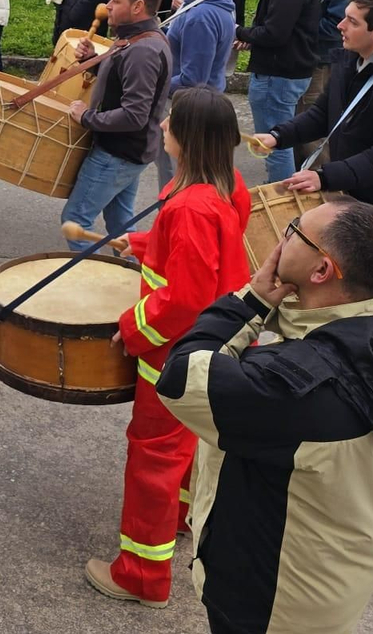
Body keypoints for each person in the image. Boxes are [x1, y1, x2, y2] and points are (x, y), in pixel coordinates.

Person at [157, 200, 373, 634]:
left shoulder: (286, 386)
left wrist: (249, 300)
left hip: (274, 597)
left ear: (321, 271)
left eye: (293, 232)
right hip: (334, 574)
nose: (280, 240)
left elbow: (180, 376)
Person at [85, 87, 252, 607]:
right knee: (185, 446)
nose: (162, 127)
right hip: (213, 348)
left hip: (175, 354)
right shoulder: (226, 186)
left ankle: (141, 574)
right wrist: (136, 243)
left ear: (189, 137)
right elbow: (200, 255)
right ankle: (177, 519)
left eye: (170, 121)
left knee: (152, 455)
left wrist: (133, 330)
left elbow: (185, 296)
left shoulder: (191, 207)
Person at [254, 0, 373, 305]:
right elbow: (325, 114)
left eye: (352, 21)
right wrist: (278, 136)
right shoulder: (353, 58)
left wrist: (324, 177)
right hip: (358, 201)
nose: (340, 25)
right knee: (350, 297)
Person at [58, 0, 171, 251]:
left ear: (137, 7)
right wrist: (91, 62)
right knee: (120, 223)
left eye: (115, 0)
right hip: (128, 151)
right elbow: (121, 81)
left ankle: (91, 290)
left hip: (117, 153)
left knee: (76, 221)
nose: (107, 5)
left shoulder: (143, 50)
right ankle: (141, 278)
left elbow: (134, 115)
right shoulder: (135, 38)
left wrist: (87, 117)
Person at [235, 0, 325, 185]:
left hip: (277, 74)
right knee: (280, 137)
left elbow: (275, 33)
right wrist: (253, 38)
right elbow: (286, 29)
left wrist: (239, 31)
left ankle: (281, 196)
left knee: (273, 143)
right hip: (289, 69)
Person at [295, 0, 359, 166]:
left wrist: (298, 25)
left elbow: (335, 29)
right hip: (311, 55)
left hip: (321, 60)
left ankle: (322, 173)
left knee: (313, 116)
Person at [166, 0, 236, 95]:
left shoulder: (201, 16)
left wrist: (151, 86)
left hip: (182, 105)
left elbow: (192, 81)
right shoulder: (216, 0)